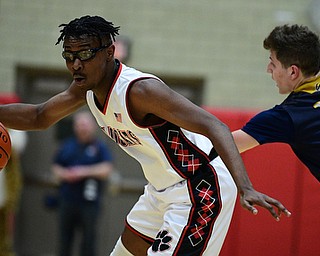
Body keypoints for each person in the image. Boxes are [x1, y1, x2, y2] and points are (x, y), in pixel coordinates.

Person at [0, 15, 290, 256]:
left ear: (110, 52)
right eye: (70, 56)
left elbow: (216, 126)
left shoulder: (140, 91)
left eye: (86, 54)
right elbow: (39, 117)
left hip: (201, 186)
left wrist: (246, 187)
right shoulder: (85, 89)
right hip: (160, 190)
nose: (76, 64)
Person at [232, 24, 320, 183]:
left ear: (293, 72)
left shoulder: (287, 117)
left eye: (272, 63)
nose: (268, 69)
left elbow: (224, 145)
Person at [52, 110, 113, 256]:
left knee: (88, 240)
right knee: (65, 240)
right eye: (79, 125)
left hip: (89, 202)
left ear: (92, 126)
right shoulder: (67, 145)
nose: (82, 128)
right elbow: (55, 166)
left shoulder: (99, 147)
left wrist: (83, 172)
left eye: (85, 125)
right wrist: (65, 174)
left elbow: (106, 169)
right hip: (67, 200)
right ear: (75, 127)